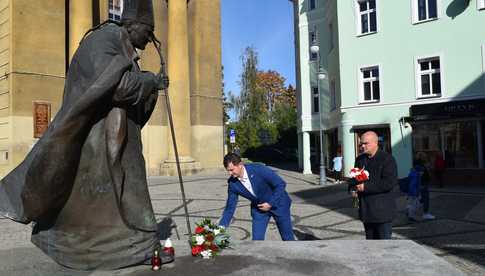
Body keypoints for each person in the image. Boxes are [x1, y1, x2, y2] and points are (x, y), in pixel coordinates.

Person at [0, 0, 171, 270]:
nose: (149, 41)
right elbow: (118, 87)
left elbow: (127, 92)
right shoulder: (102, 41)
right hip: (90, 139)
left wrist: (150, 87)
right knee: (93, 198)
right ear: (134, 24)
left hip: (112, 138)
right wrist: (151, 80)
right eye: (148, 31)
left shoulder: (122, 44)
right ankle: (108, 246)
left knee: (116, 193)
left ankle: (136, 243)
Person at [219, 153, 295, 241]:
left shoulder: (259, 169)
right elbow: (230, 208)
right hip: (259, 210)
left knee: (287, 239)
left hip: (279, 204)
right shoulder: (232, 184)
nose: (230, 173)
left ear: (240, 165)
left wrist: (270, 203)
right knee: (256, 241)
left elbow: (280, 184)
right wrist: (220, 228)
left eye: (232, 170)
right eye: (228, 170)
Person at [349, 131, 397, 240]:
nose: (362, 146)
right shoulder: (360, 159)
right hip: (366, 211)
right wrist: (352, 188)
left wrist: (365, 187)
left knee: (384, 246)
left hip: (382, 212)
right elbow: (353, 179)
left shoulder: (387, 159)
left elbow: (389, 183)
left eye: (365, 143)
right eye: (361, 144)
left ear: (375, 143)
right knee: (370, 245)